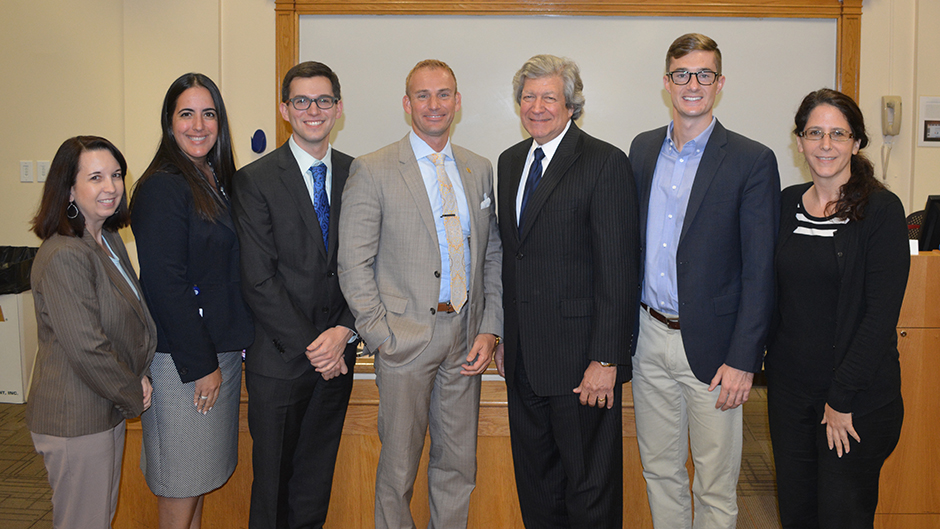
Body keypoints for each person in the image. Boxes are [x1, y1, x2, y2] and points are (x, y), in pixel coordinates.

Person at [338, 59, 503, 529]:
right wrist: (382, 335)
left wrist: (490, 330)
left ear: (457, 101)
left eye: (444, 94)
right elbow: (353, 262)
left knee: (458, 466)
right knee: (398, 468)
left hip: (466, 338)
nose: (435, 105)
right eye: (424, 95)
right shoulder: (373, 169)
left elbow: (492, 257)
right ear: (407, 104)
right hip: (405, 341)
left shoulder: (478, 168)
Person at [628, 33, 780, 528]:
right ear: (666, 82)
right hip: (648, 339)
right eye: (682, 74)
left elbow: (760, 272)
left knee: (714, 484)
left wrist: (744, 359)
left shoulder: (751, 160)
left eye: (704, 74)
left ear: (719, 83)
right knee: (660, 472)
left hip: (716, 353)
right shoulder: (643, 149)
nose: (692, 84)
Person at [494, 54, 638, 529]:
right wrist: (502, 336)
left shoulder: (604, 162)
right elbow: (514, 257)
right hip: (523, 363)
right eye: (528, 96)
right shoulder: (511, 162)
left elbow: (618, 270)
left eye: (549, 97)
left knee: (589, 492)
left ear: (571, 105)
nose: (537, 107)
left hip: (582, 365)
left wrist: (607, 359)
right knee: (537, 489)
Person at [765, 88, 909, 529]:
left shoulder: (881, 211)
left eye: (838, 134)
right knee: (797, 511)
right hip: (791, 396)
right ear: (799, 141)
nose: (825, 144)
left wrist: (841, 399)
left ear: (857, 142)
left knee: (841, 515)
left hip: (853, 400)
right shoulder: (785, 203)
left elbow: (880, 315)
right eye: (814, 133)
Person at [231, 61, 358, 529]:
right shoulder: (255, 180)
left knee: (313, 484)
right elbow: (258, 279)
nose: (313, 110)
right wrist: (315, 346)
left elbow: (365, 265)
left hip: (336, 360)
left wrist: (343, 330)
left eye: (323, 100)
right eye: (301, 101)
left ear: (338, 108)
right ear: (285, 109)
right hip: (280, 363)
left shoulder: (356, 173)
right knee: (273, 489)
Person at [130, 72, 255, 529]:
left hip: (215, 353)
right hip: (183, 362)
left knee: (196, 481)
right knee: (178, 487)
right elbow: (166, 286)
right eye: (187, 113)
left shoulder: (214, 179)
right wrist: (202, 364)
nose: (198, 124)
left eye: (209, 113)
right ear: (169, 122)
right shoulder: (164, 186)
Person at [27, 135, 157, 529]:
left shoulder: (108, 238)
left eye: (116, 175)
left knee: (97, 516)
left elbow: (125, 318)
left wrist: (136, 374)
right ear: (69, 188)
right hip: (75, 416)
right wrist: (133, 390)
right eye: (96, 177)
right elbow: (87, 347)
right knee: (83, 521)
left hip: (102, 406)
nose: (111, 187)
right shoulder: (66, 253)